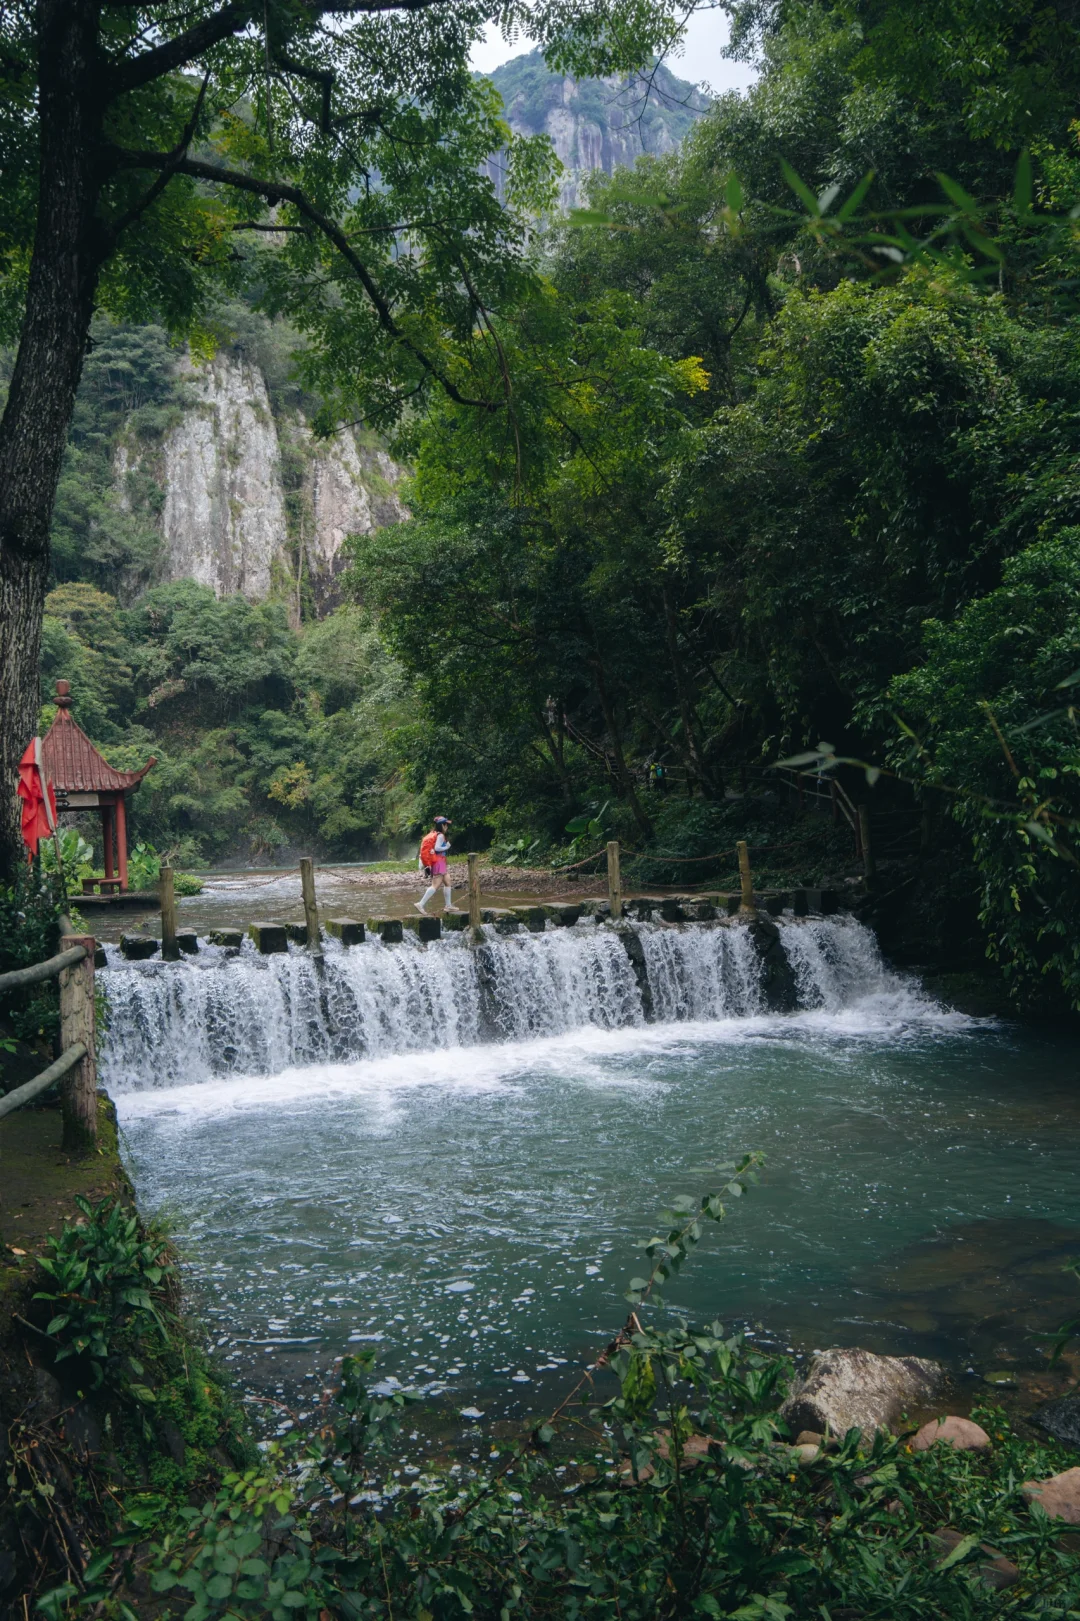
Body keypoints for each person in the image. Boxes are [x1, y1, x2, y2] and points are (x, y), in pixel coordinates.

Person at [416, 816, 453, 913]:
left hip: (440, 862)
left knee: (448, 882)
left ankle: (448, 905)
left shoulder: (435, 834)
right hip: (438, 863)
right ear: (442, 825)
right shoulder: (440, 835)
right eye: (446, 825)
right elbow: (437, 848)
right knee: (435, 885)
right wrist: (447, 847)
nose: (447, 827)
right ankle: (421, 904)